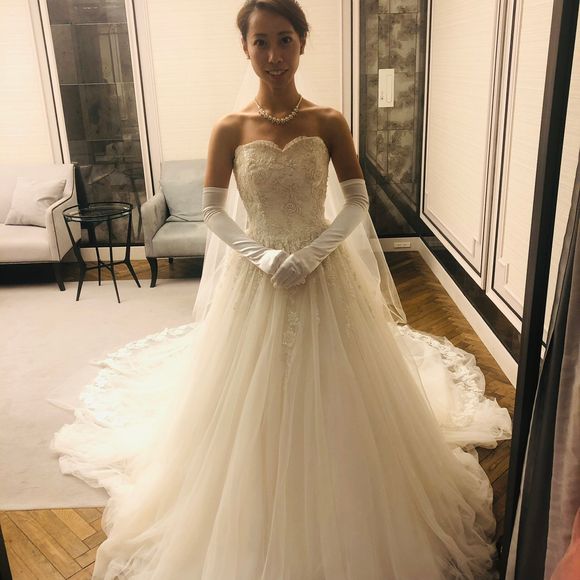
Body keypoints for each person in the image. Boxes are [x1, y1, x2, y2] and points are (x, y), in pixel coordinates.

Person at [50, 1, 512, 578]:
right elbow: (214, 212)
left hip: (325, 273)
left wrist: (316, 252)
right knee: (249, 395)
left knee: (343, 387)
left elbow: (358, 202)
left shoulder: (329, 121)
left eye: (285, 39)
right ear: (245, 48)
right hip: (258, 274)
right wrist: (263, 255)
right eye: (261, 41)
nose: (274, 55)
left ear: (302, 43)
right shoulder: (230, 127)